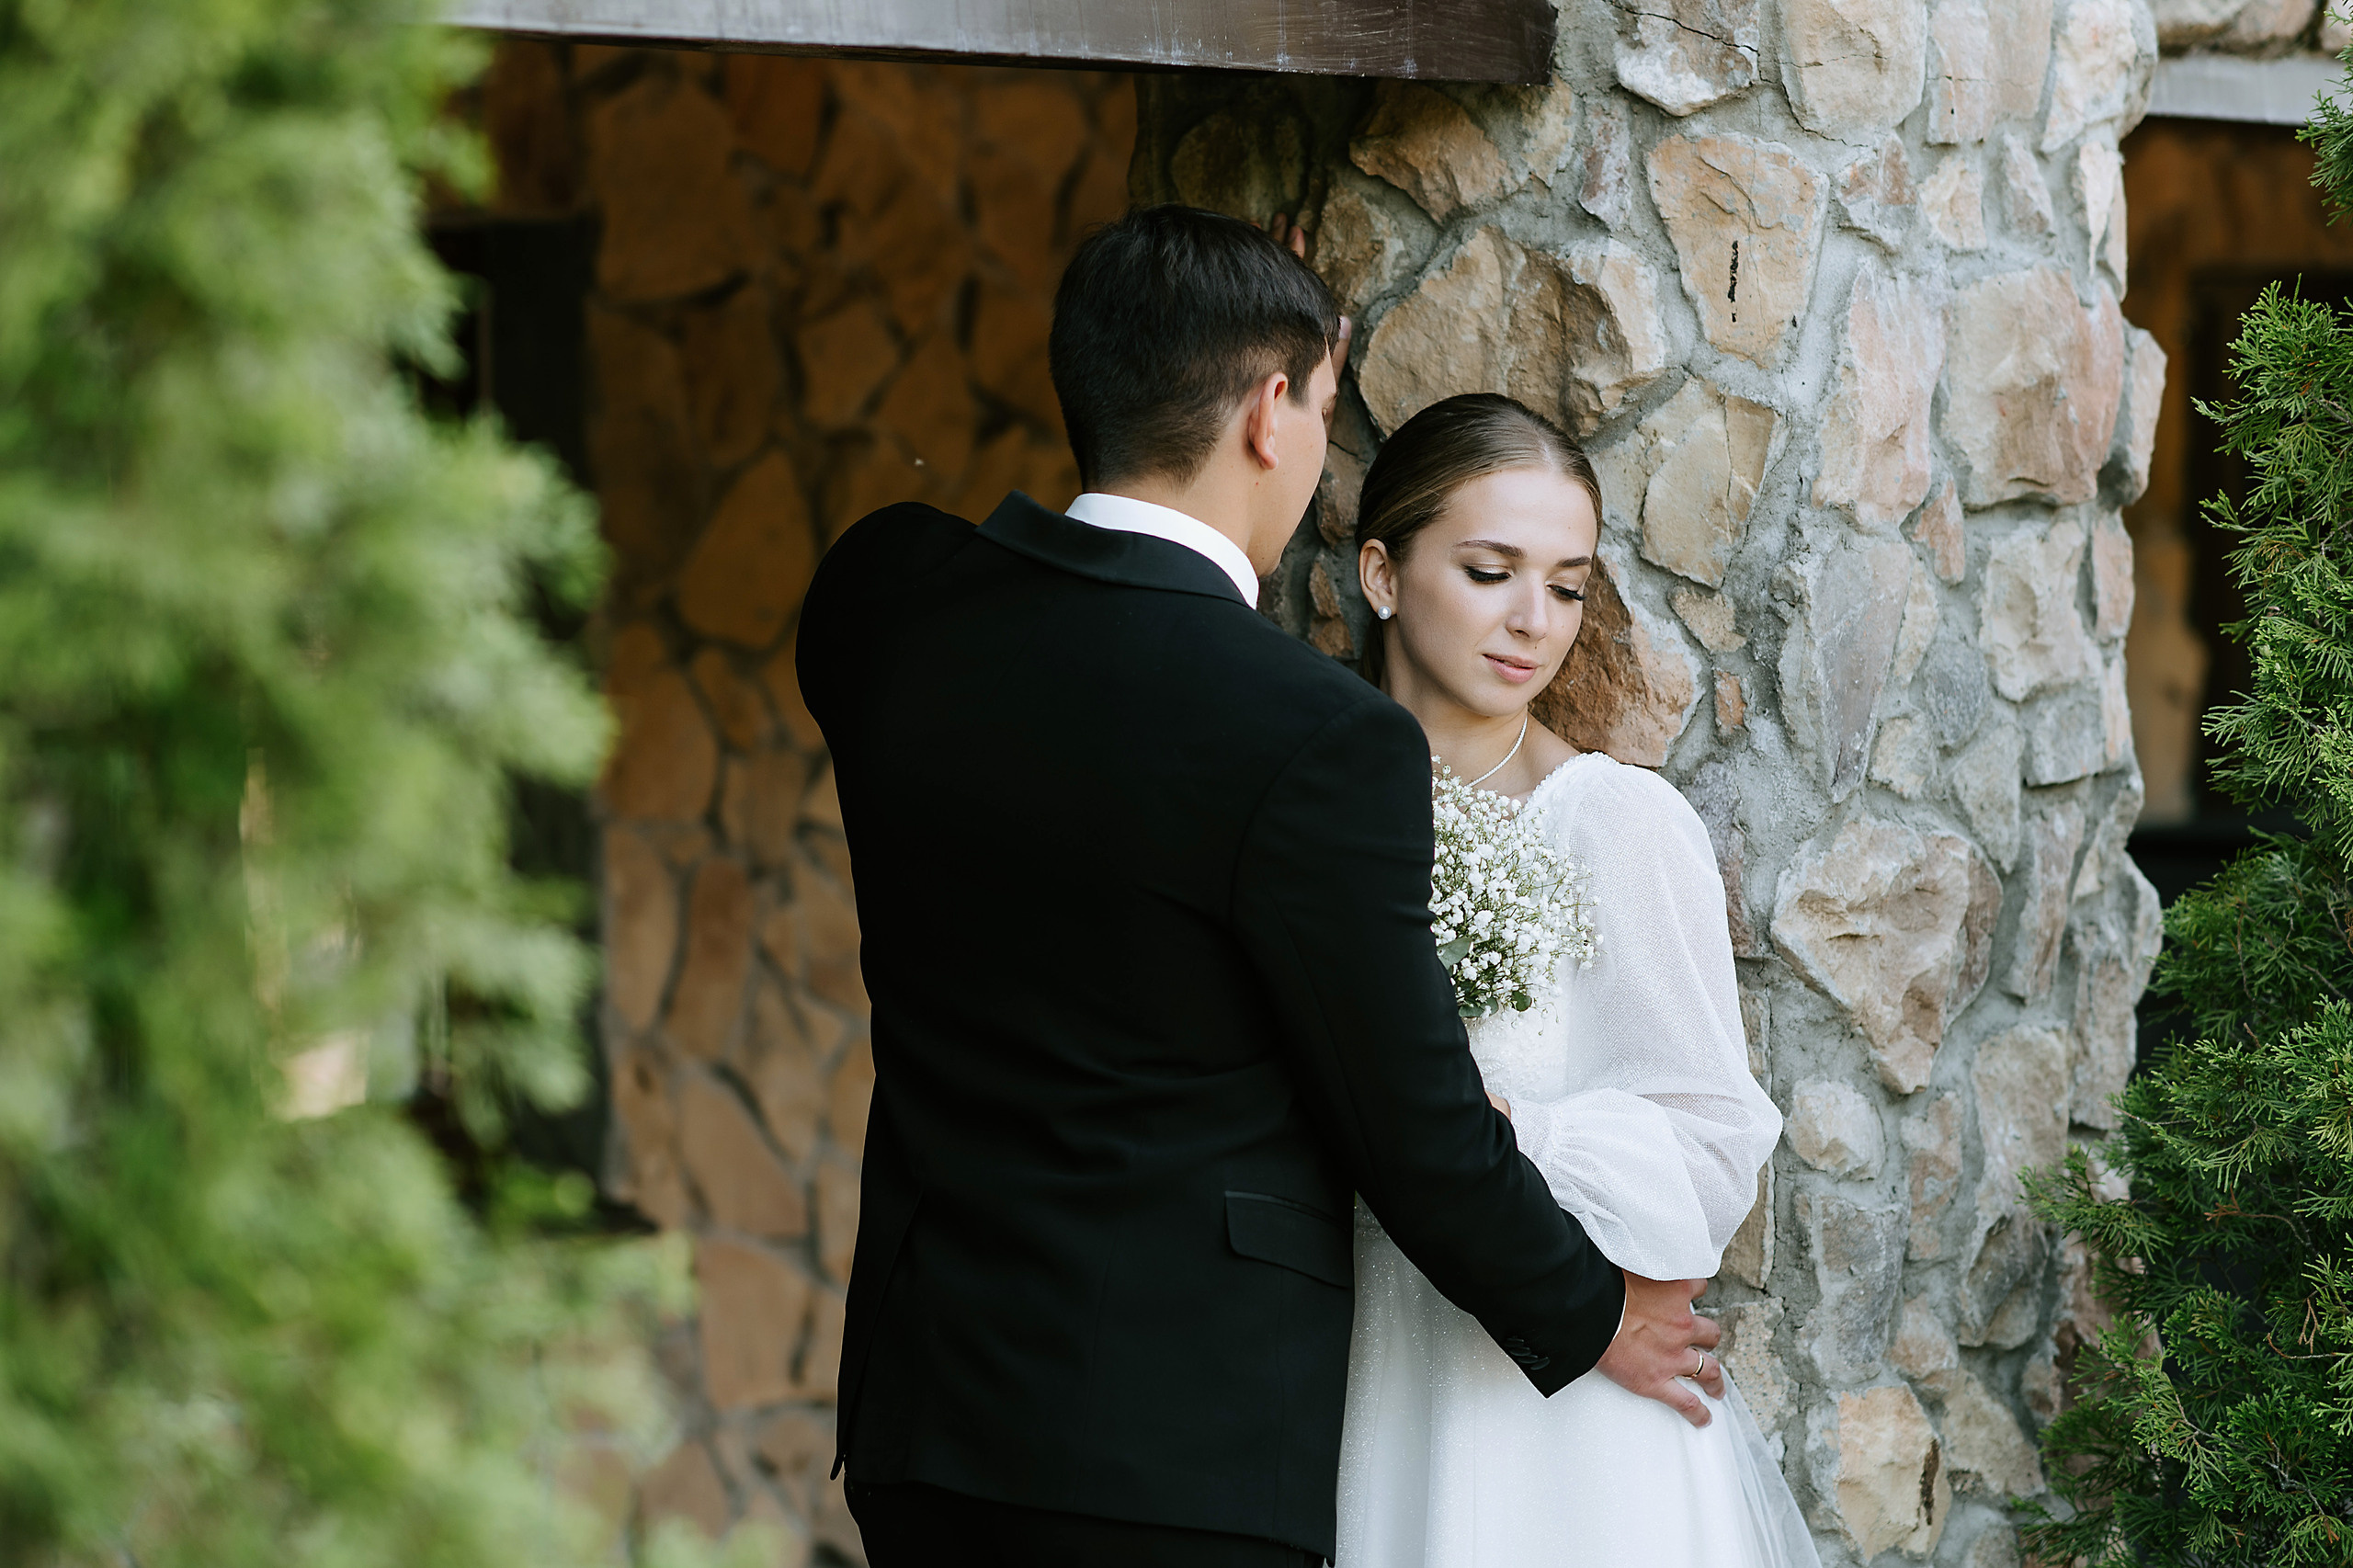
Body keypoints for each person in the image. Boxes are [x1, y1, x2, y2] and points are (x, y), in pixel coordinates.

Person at [796, 205, 1725, 1568]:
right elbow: (1418, 1127)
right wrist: (1594, 1312)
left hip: (924, 1421)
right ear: (1272, 412)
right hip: (1176, 1456)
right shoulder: (1317, 737)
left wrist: (1210, 307)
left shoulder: (888, 611)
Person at [1334, 392, 1813, 1568]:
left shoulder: (1616, 823)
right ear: (1382, 574)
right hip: (1343, 1361)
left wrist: (1508, 1127)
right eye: (1491, 569)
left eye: (1565, 584)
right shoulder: (1312, 805)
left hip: (1549, 1411)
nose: (1531, 621)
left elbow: (1706, 1160)